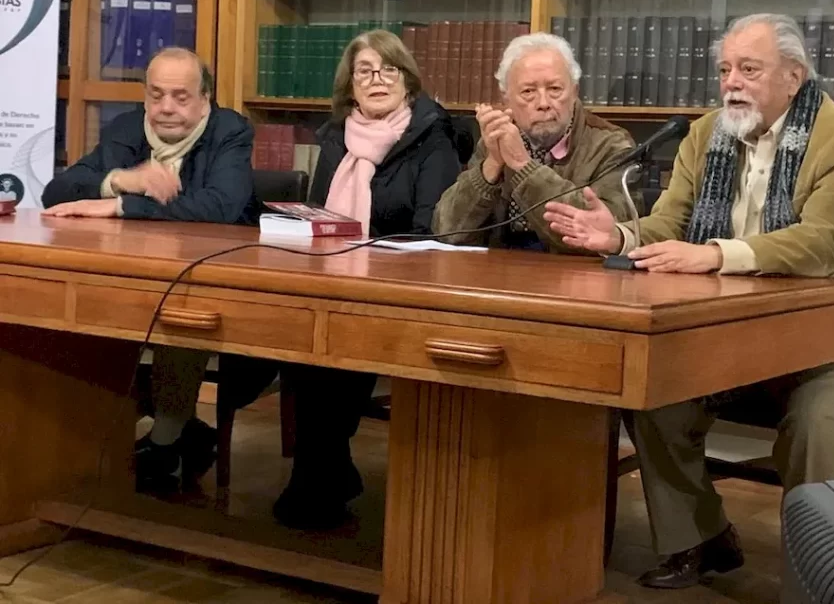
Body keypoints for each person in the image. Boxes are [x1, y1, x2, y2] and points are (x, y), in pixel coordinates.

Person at [543, 13, 834, 590]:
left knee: (819, 423)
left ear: (793, 77)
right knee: (651, 397)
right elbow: (671, 220)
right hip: (724, 328)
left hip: (829, 334)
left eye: (750, 69)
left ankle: (816, 575)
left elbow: (825, 243)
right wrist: (617, 235)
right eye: (724, 70)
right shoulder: (706, 133)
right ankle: (701, 538)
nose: (732, 83)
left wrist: (717, 254)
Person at [239, 29, 461, 530]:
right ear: (350, 85)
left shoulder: (433, 137)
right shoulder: (336, 137)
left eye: (388, 70)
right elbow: (320, 216)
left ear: (407, 80)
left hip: (402, 288)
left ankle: (318, 475)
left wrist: (367, 254)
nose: (377, 80)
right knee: (303, 340)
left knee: (337, 346)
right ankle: (326, 470)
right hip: (333, 281)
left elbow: (432, 230)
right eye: (365, 71)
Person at [41, 46, 261, 492]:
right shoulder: (127, 129)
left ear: (205, 99)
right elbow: (57, 192)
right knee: (75, 319)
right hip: (132, 274)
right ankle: (143, 435)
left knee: (184, 310)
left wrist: (118, 206)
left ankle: (164, 442)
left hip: (217, 282)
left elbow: (221, 206)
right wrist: (121, 178)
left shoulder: (229, 130)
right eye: (156, 95)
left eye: (181, 97)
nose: (166, 109)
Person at [433, 31, 638, 250]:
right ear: (506, 97)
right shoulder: (501, 137)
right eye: (528, 91)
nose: (543, 103)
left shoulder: (612, 145)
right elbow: (447, 231)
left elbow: (603, 236)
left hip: (573, 275)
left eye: (555, 89)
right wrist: (491, 165)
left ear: (575, 91)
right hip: (499, 272)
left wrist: (523, 167)